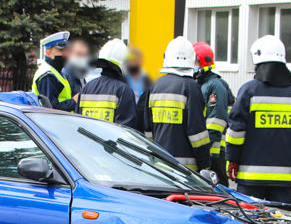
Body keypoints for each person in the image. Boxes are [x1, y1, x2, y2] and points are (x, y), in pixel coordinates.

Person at [225, 35, 291, 204]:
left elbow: (236, 132)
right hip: (284, 180)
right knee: (283, 223)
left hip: (250, 177)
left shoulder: (249, 91)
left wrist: (232, 159)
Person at [142, 36, 209, 171]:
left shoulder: (155, 86)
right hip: (186, 170)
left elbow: (147, 129)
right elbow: (197, 134)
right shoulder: (191, 87)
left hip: (159, 165)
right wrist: (205, 163)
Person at [193, 42, 233, 185]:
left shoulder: (215, 86)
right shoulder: (202, 84)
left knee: (219, 189)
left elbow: (217, 122)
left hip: (214, 151)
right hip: (207, 150)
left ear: (202, 61)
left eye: (194, 61)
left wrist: (205, 148)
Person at [76, 39, 138, 130]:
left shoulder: (87, 87)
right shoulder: (123, 90)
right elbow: (126, 130)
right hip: (110, 144)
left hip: (87, 143)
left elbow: (78, 122)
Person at [32, 31, 78, 111]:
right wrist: (74, 101)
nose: (65, 54)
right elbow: (51, 108)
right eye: (61, 50)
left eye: (66, 50)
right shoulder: (47, 75)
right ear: (48, 53)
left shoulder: (55, 71)